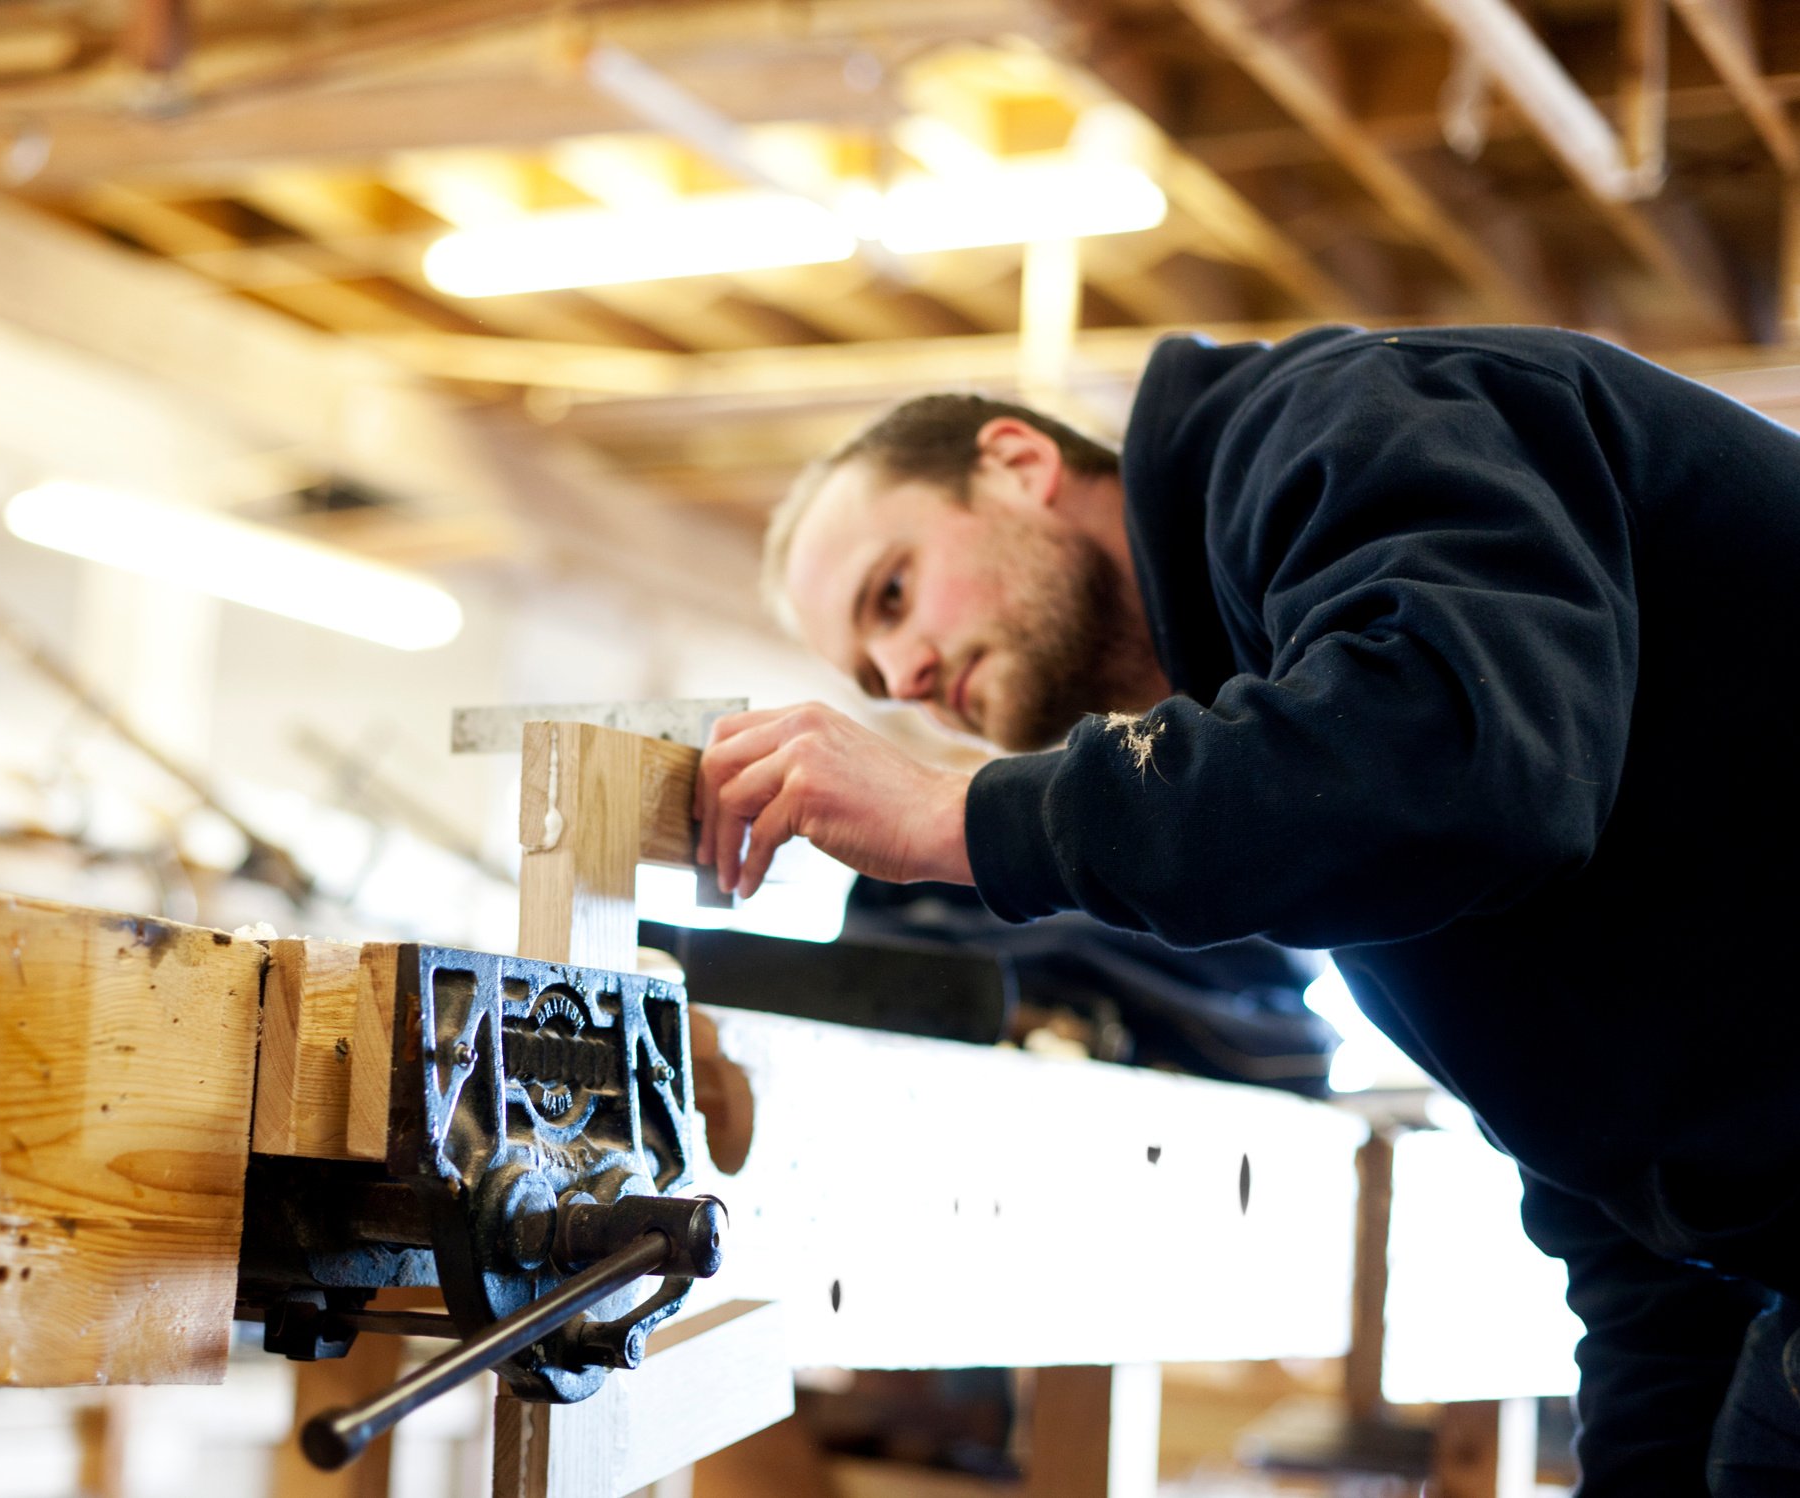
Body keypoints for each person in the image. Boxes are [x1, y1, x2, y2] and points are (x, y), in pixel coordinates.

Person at [690, 325, 1800, 1495]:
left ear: (1017, 462)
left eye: (895, 593)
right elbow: (1631, 1224)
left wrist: (961, 818)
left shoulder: (1338, 422)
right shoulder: (1309, 819)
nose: (904, 675)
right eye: (869, 674)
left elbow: (1459, 759)